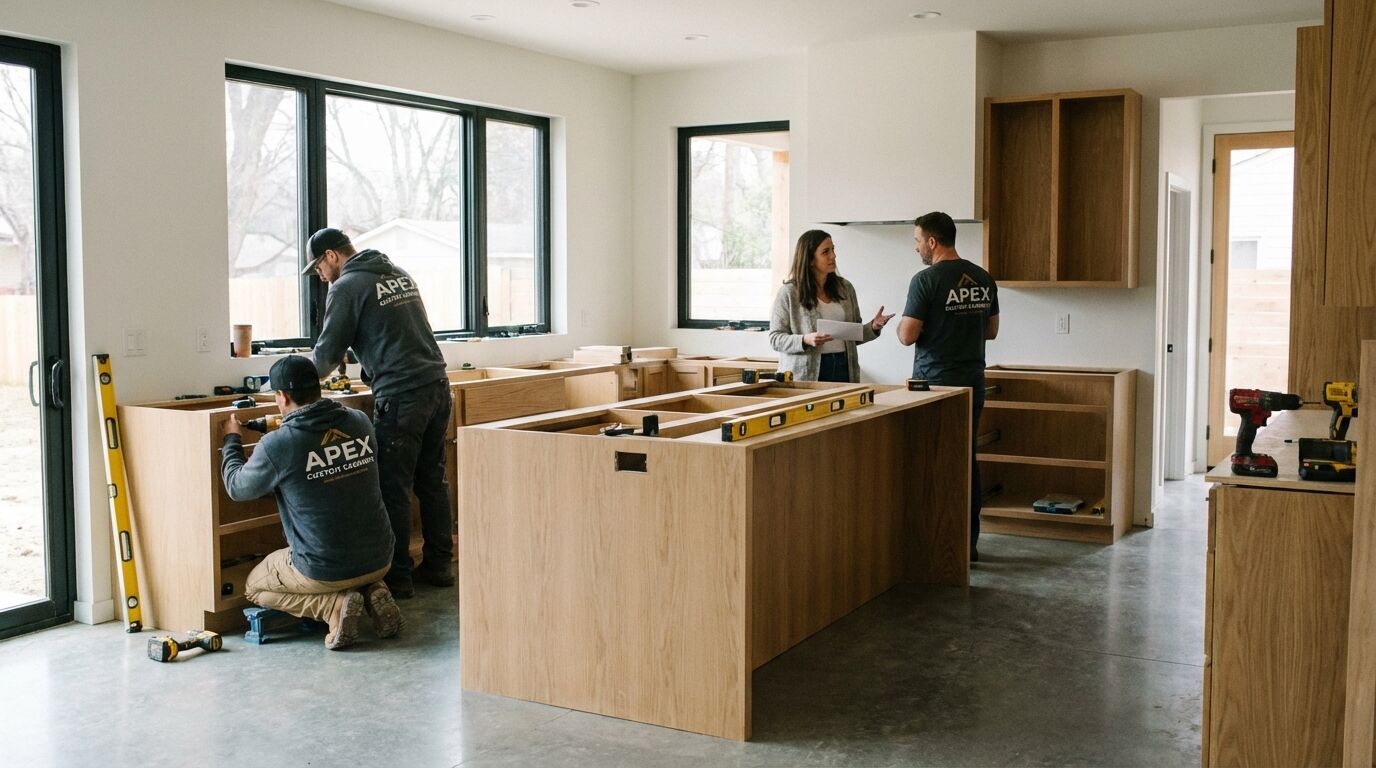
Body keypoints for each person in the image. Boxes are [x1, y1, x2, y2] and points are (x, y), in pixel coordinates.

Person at [304, 227, 453, 599]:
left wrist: (290, 384)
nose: (320, 277)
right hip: (437, 385)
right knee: (432, 481)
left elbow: (325, 355)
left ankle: (398, 578)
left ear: (331, 256)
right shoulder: (397, 274)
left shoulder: (347, 286)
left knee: (393, 487)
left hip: (402, 395)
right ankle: (439, 566)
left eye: (318, 268)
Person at [220, 355, 403, 650]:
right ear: (316, 387)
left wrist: (231, 441)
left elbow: (237, 488)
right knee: (349, 554)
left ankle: (333, 606)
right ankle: (373, 591)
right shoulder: (359, 421)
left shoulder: (278, 444)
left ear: (282, 396)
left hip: (325, 569)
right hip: (382, 557)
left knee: (254, 587)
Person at [896, 212, 1000, 561]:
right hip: (973, 381)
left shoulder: (925, 280)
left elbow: (907, 336)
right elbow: (991, 331)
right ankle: (966, 545)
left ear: (932, 242)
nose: (916, 248)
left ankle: (936, 545)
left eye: (916, 241)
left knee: (934, 462)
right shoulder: (983, 278)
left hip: (935, 386)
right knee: (966, 459)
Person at [769, 229, 894, 382]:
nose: (833, 256)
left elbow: (853, 335)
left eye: (833, 249)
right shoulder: (789, 292)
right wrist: (804, 340)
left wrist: (873, 327)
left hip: (844, 367)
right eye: (825, 252)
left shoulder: (845, 288)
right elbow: (775, 338)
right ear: (810, 259)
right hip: (806, 373)